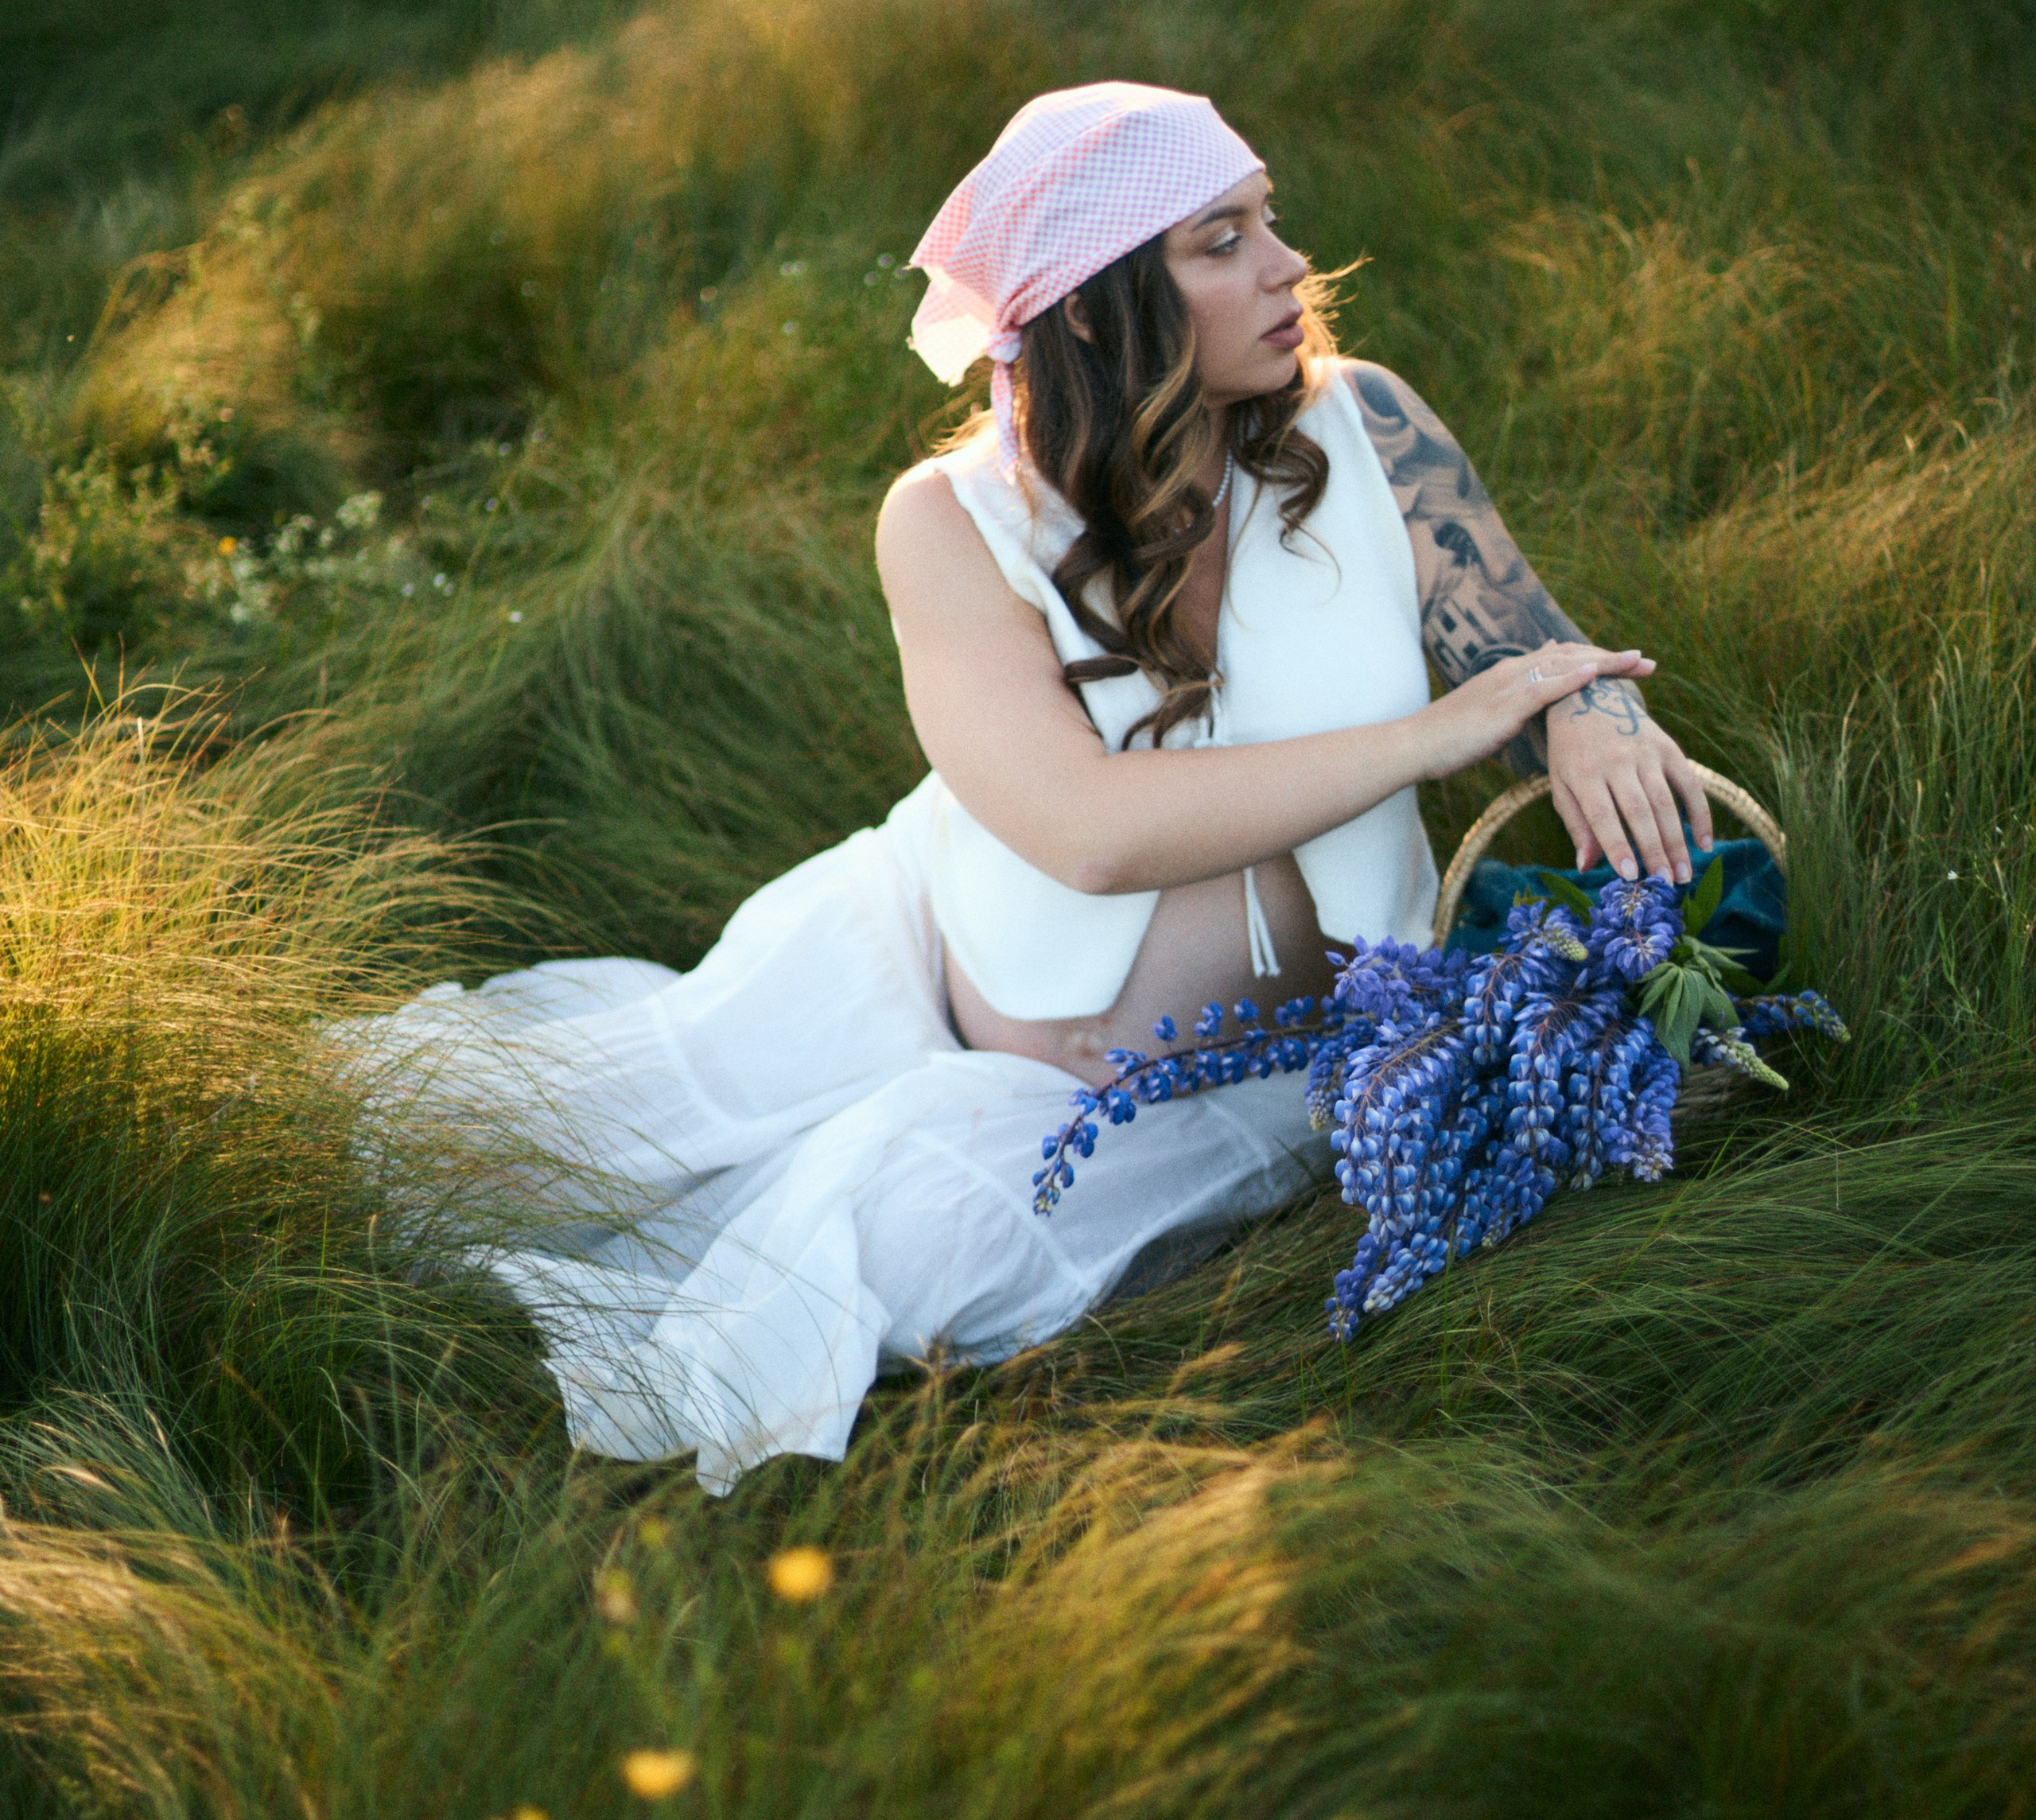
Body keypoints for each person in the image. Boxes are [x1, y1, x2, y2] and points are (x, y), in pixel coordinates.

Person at [349, 83, 1712, 1493]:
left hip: (1268, 1071)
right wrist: (1436, 737)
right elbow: (1087, 835)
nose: (1287, 264)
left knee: (894, 1256)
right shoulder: (946, 520)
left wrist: (1591, 713)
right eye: (1221, 240)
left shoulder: (1369, 426)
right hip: (919, 959)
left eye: (1269, 220)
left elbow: (1527, 646)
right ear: (1092, 305)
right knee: (518, 1141)